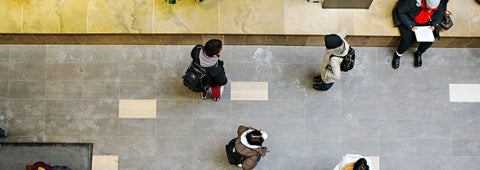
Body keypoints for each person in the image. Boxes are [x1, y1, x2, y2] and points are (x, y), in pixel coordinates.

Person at [392, 0, 449, 69]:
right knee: (407, 40)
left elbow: (441, 13)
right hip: (409, 19)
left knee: (430, 40)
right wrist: (411, 26)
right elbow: (401, 12)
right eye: (429, 7)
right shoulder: (411, 1)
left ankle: (419, 53)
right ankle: (398, 54)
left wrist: (434, 25)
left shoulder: (442, 1)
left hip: (427, 21)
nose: (430, 10)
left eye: (433, 9)